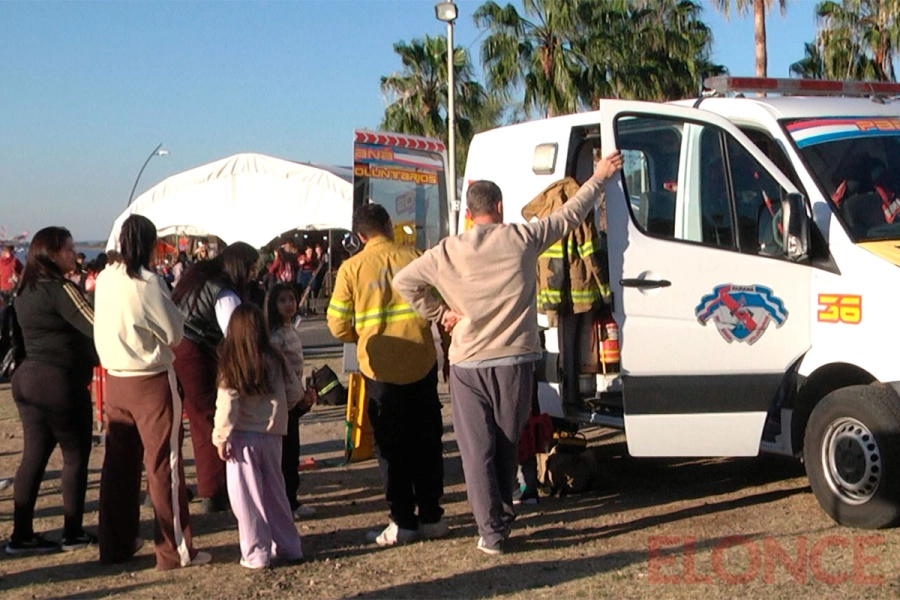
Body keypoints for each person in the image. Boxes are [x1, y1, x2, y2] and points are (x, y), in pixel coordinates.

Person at [393, 151, 623, 555]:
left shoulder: (446, 251)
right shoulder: (521, 237)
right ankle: (500, 517)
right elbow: (570, 215)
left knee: (475, 449)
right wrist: (599, 177)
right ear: (498, 208)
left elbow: (403, 282)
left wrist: (441, 313)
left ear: (470, 211)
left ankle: (492, 530)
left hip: (468, 363)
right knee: (504, 444)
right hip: (515, 360)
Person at [93, 214, 209, 570]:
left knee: (118, 467)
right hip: (150, 380)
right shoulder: (147, 282)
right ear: (148, 244)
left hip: (115, 380)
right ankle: (173, 551)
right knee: (164, 467)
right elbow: (175, 332)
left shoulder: (105, 279)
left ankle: (115, 544)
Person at [327, 204, 446, 546]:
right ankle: (432, 517)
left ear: (361, 236)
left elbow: (336, 324)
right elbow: (439, 302)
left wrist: (362, 337)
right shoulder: (416, 256)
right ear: (390, 226)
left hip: (379, 369)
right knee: (426, 440)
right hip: (420, 361)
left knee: (391, 448)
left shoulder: (351, 269)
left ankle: (403, 521)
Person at [5, 227, 97, 555]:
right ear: (53, 254)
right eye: (69, 249)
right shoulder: (60, 289)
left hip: (27, 379)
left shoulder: (24, 290)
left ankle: (21, 535)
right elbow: (96, 324)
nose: (74, 254)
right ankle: (72, 532)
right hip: (60, 380)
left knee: (33, 458)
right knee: (75, 455)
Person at [212, 304, 305, 569]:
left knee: (247, 498)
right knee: (275, 492)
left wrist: (221, 437)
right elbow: (294, 392)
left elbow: (227, 405)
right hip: (273, 436)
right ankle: (289, 545)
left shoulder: (232, 363)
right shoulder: (276, 358)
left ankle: (256, 552)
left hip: (242, 439)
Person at [171, 241, 260, 513]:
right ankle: (213, 491)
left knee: (171, 421)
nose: (254, 275)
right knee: (205, 418)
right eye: (252, 268)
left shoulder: (197, 274)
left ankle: (165, 487)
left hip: (173, 345)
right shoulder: (224, 291)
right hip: (194, 352)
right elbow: (235, 335)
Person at [265, 283, 317, 520]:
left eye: (292, 299)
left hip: (294, 398)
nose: (289, 304)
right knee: (285, 456)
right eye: (283, 300)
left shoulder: (291, 330)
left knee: (292, 453)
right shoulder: (275, 336)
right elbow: (281, 373)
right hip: (283, 401)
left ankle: (291, 500)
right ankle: (286, 502)